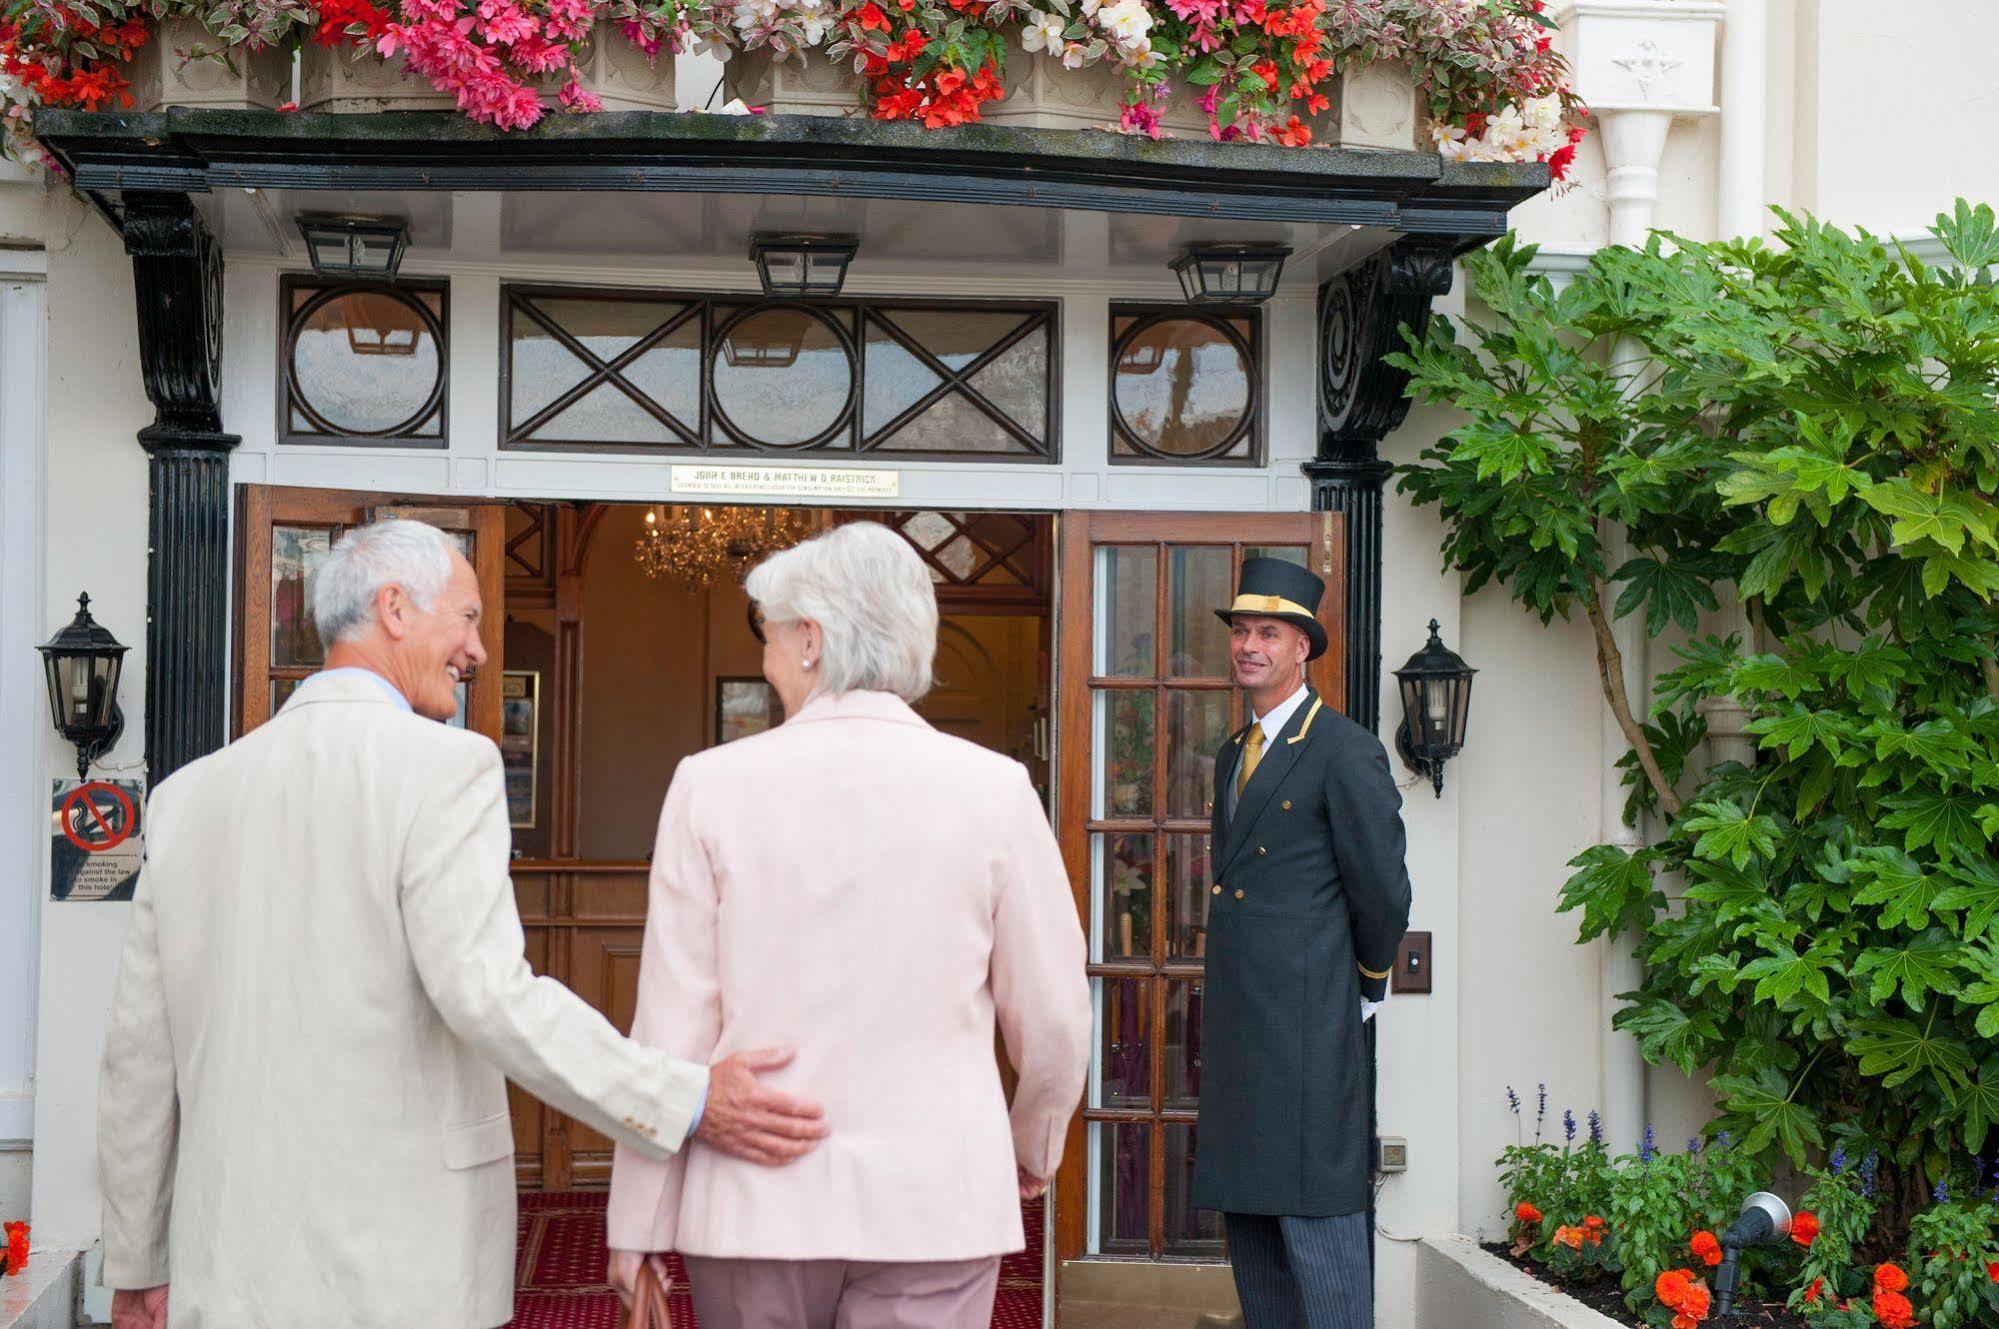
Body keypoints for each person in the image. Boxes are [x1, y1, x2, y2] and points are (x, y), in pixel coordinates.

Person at [97, 519, 828, 1329]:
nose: (479, 650)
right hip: (396, 1272)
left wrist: (136, 1267)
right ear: (395, 609)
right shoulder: (449, 767)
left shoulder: (188, 797)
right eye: (469, 616)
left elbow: (138, 1055)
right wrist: (682, 1097)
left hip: (224, 1270)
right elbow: (488, 996)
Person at [605, 521, 1092, 1329]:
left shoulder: (709, 785)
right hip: (938, 1193)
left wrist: (640, 1218)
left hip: (754, 1198)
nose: (765, 659)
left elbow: (670, 1028)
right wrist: (1029, 1145)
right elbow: (1054, 1019)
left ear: (810, 640)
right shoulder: (997, 789)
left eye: (768, 636)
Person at [1192, 557, 1413, 1329]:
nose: (1249, 645)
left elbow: (1382, 891)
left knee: (1319, 1242)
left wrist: (1363, 982)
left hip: (1307, 1027)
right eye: (1242, 631)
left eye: (1268, 632)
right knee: (1254, 1237)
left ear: (1302, 648)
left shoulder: (1344, 749)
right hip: (1240, 1030)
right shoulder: (1231, 752)